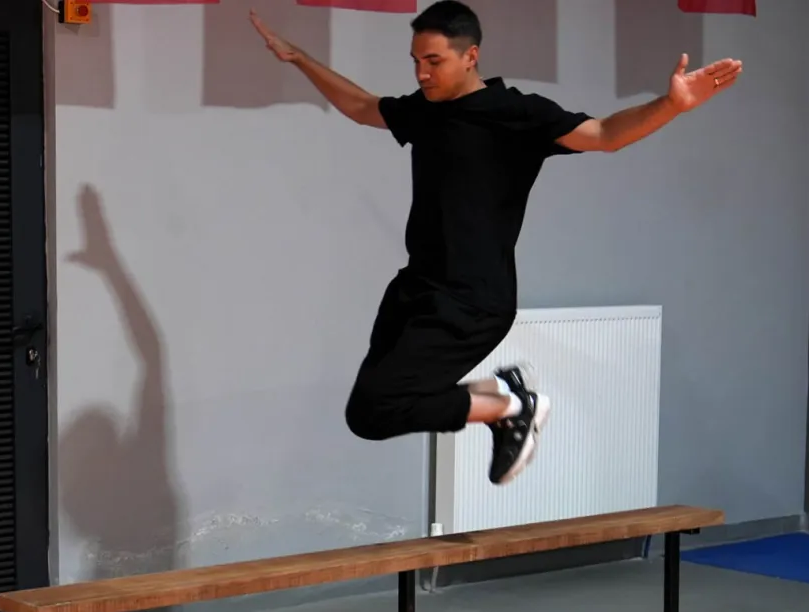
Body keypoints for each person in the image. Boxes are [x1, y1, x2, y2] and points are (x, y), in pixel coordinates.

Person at [250, 1, 742, 485]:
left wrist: (672, 104)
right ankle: (504, 394)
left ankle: (511, 406)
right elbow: (362, 107)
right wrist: (301, 59)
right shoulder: (426, 110)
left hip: (471, 299)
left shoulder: (516, 113)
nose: (422, 73)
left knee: (382, 407)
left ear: (471, 55)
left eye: (434, 61)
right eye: (416, 61)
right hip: (415, 289)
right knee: (366, 414)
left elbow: (605, 133)